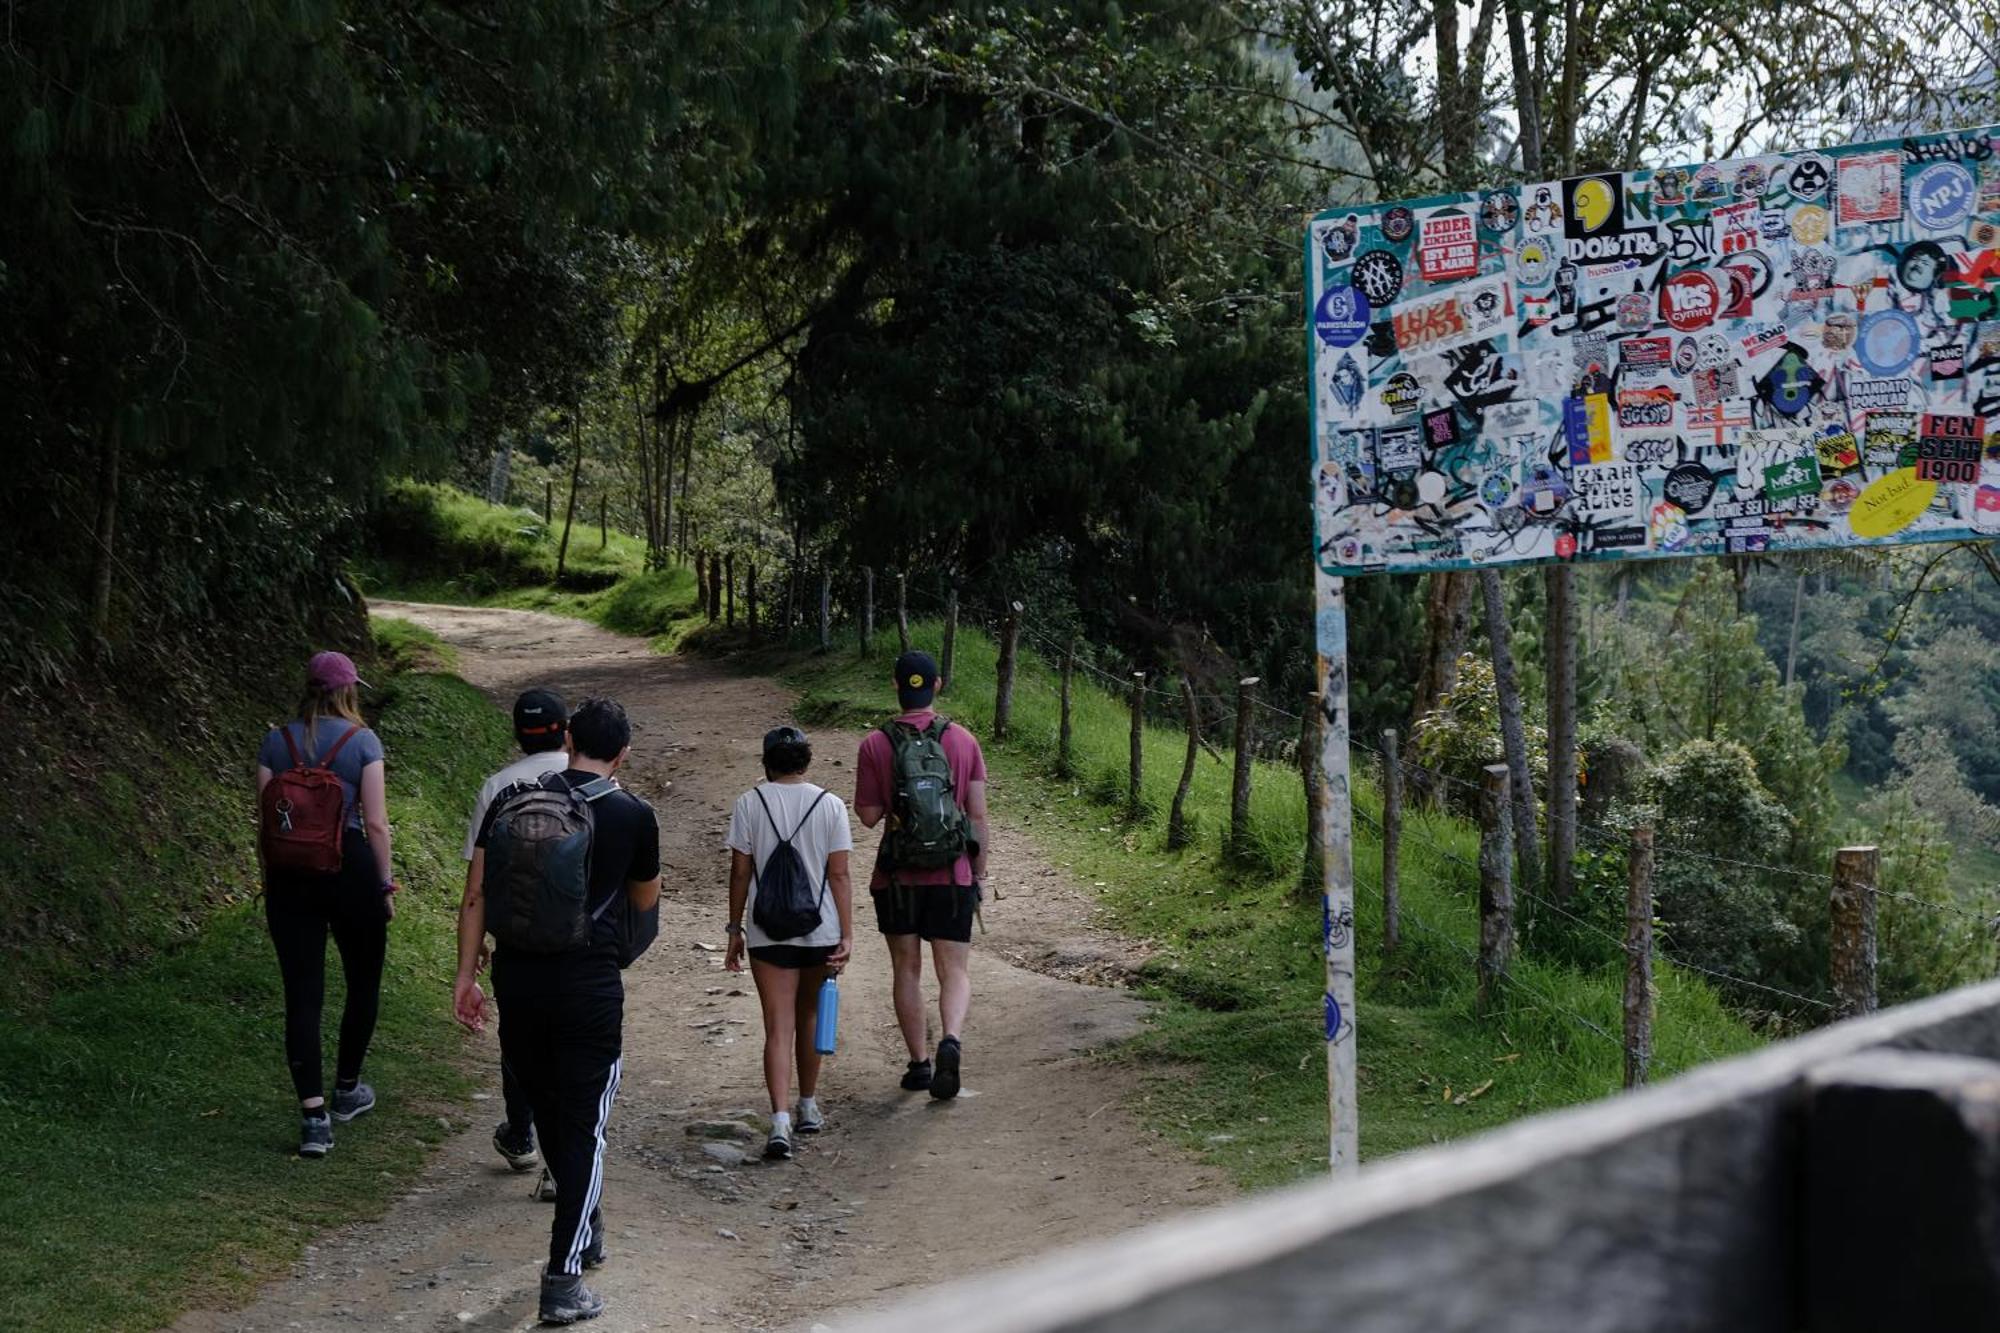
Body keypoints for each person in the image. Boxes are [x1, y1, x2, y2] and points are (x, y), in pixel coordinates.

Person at [453, 697, 660, 1326]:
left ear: (569, 739)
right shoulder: (631, 814)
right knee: (587, 1127)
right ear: (623, 752)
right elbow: (644, 907)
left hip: (518, 979)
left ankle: (584, 1226)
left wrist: (466, 974)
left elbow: (478, 894)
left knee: (547, 1109)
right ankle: (564, 1277)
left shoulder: (511, 799)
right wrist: (611, 956)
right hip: (587, 986)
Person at [255, 650, 397, 1158]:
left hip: (291, 876)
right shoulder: (362, 741)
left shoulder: (277, 741)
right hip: (351, 869)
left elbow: (267, 824)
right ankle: (347, 1089)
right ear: (347, 690)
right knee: (362, 980)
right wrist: (384, 885)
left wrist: (270, 883)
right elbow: (376, 822)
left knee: (303, 994)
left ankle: (314, 1119)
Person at [854, 650, 989, 1101]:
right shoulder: (964, 741)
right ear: (938, 685)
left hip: (897, 878)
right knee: (953, 970)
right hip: (953, 875)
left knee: (906, 970)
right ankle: (951, 1037)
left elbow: (869, 816)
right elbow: (977, 817)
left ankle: (919, 1064)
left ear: (896, 686)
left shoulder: (875, 743)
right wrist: (978, 874)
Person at [723, 726, 855, 1161]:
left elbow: (741, 873)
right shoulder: (830, 804)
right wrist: (848, 933)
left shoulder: (750, 802)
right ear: (806, 761)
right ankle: (809, 1105)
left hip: (767, 931)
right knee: (811, 1014)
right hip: (820, 930)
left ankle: (779, 1120)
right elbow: (839, 875)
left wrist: (734, 929)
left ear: (767, 761)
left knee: (777, 1026)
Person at [461, 687, 573, 1174]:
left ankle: (521, 1133)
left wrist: (472, 951)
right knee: (569, 1041)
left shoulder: (498, 787)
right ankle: (562, 1160)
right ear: (565, 732)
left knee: (520, 1038)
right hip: (574, 937)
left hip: (515, 937)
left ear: (517, 735)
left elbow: (476, 886)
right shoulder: (583, 780)